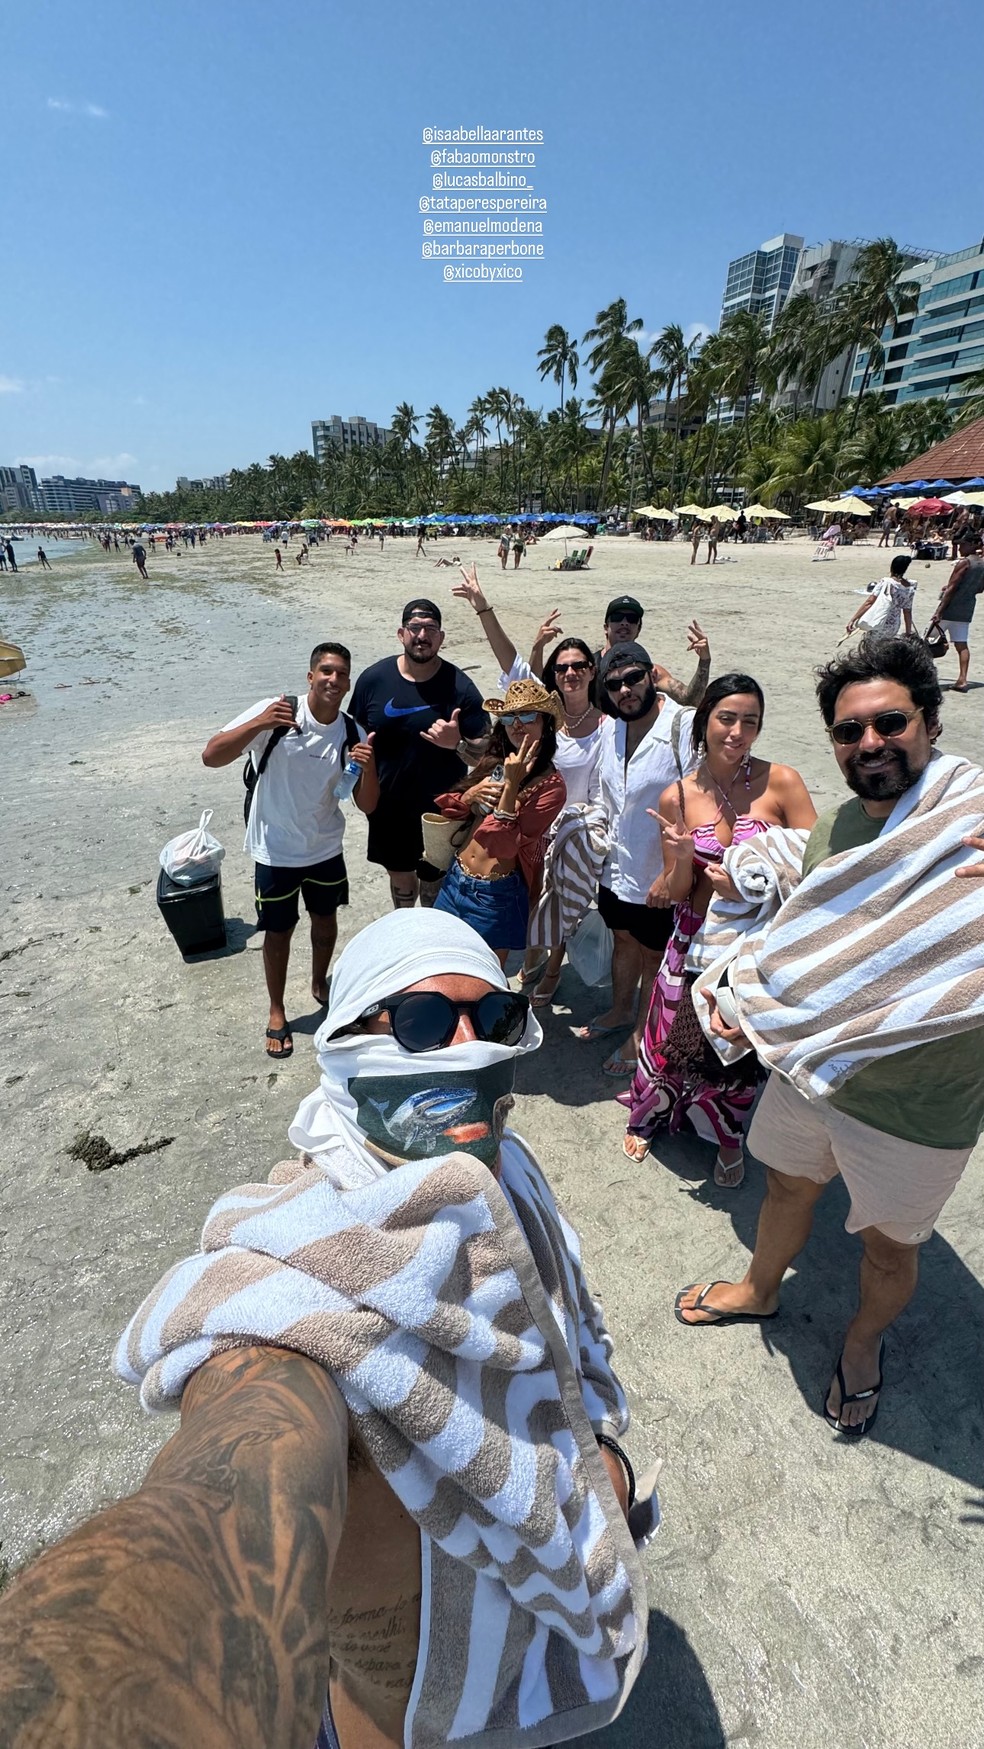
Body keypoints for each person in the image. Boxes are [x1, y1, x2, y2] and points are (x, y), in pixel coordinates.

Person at [0, 911, 653, 1749]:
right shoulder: (301, 1288)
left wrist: (597, 1454)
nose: (467, 1046)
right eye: (420, 1023)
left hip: (512, 1657)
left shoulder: (503, 1176)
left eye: (492, 1019)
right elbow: (241, 1473)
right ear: (345, 1046)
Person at [674, 635, 984, 1439]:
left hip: (922, 1101)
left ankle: (862, 1337)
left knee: (888, 1247)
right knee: (785, 1187)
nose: (870, 742)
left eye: (890, 722)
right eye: (850, 731)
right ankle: (761, 1285)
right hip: (812, 1073)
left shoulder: (973, 818)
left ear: (931, 720)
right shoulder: (836, 827)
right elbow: (813, 940)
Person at [619, 674, 816, 1186]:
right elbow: (677, 888)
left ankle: (728, 1139)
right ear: (704, 721)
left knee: (736, 1043)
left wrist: (756, 885)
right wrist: (681, 859)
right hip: (691, 937)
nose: (737, 732)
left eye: (750, 722)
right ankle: (650, 1114)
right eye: (727, 718)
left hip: (756, 942)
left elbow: (817, 868)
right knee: (668, 1037)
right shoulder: (676, 798)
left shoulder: (783, 783)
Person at [201, 642, 379, 1060]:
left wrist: (367, 767)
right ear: (310, 675)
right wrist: (259, 723)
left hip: (325, 847)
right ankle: (277, 1010)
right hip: (275, 850)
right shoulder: (277, 712)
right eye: (326, 671)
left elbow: (367, 805)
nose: (333, 680)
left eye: (341, 674)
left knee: (326, 922)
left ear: (349, 681)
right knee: (277, 932)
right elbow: (211, 756)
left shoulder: (352, 731)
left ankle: (320, 984)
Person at [453, 565, 609, 1006]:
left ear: (592, 671)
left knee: (561, 908)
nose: (571, 672)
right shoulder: (534, 710)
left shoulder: (609, 726)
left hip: (570, 828)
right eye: (562, 667)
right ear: (553, 675)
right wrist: (483, 607)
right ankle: (530, 958)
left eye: (580, 665)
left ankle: (553, 967)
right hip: (523, 817)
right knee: (530, 911)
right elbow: (507, 656)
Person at [574, 641, 699, 1077]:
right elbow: (603, 794)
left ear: (651, 675)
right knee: (623, 940)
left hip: (660, 872)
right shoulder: (610, 729)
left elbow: (704, 793)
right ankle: (620, 1010)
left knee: (653, 956)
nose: (625, 690)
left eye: (633, 679)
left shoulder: (683, 726)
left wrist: (675, 871)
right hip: (615, 868)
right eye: (614, 685)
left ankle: (640, 1037)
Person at [350, 600, 489, 910]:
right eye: (415, 628)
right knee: (401, 885)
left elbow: (489, 756)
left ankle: (430, 947)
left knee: (434, 890)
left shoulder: (460, 688)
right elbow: (352, 739)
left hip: (441, 812)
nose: (422, 636)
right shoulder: (373, 680)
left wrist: (458, 744)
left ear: (440, 638)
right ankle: (405, 939)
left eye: (430, 629)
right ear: (402, 633)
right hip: (389, 808)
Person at [432, 679, 567, 964]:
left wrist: (512, 786)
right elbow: (451, 810)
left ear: (546, 724)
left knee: (483, 980)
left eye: (528, 716)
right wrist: (470, 795)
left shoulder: (551, 787)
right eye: (509, 717)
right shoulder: (495, 761)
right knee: (441, 963)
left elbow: (502, 845)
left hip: (493, 895)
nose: (517, 724)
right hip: (455, 878)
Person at [595, 597, 711, 709]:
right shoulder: (588, 667)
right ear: (606, 627)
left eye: (632, 619)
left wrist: (704, 661)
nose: (624, 623)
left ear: (638, 630)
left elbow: (689, 701)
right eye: (617, 617)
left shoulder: (650, 673)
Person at [928, 534, 984, 692]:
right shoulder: (982, 564)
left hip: (950, 608)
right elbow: (980, 588)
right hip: (967, 607)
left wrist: (939, 611)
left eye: (963, 544)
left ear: (973, 544)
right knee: (961, 644)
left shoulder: (964, 563)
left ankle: (923, 676)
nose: (960, 547)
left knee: (928, 642)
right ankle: (963, 679)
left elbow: (952, 587)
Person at [845, 554, 916, 640]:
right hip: (894, 625)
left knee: (872, 648)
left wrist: (853, 619)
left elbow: (869, 602)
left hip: (879, 622)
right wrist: (908, 632)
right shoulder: (909, 588)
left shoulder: (886, 582)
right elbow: (907, 612)